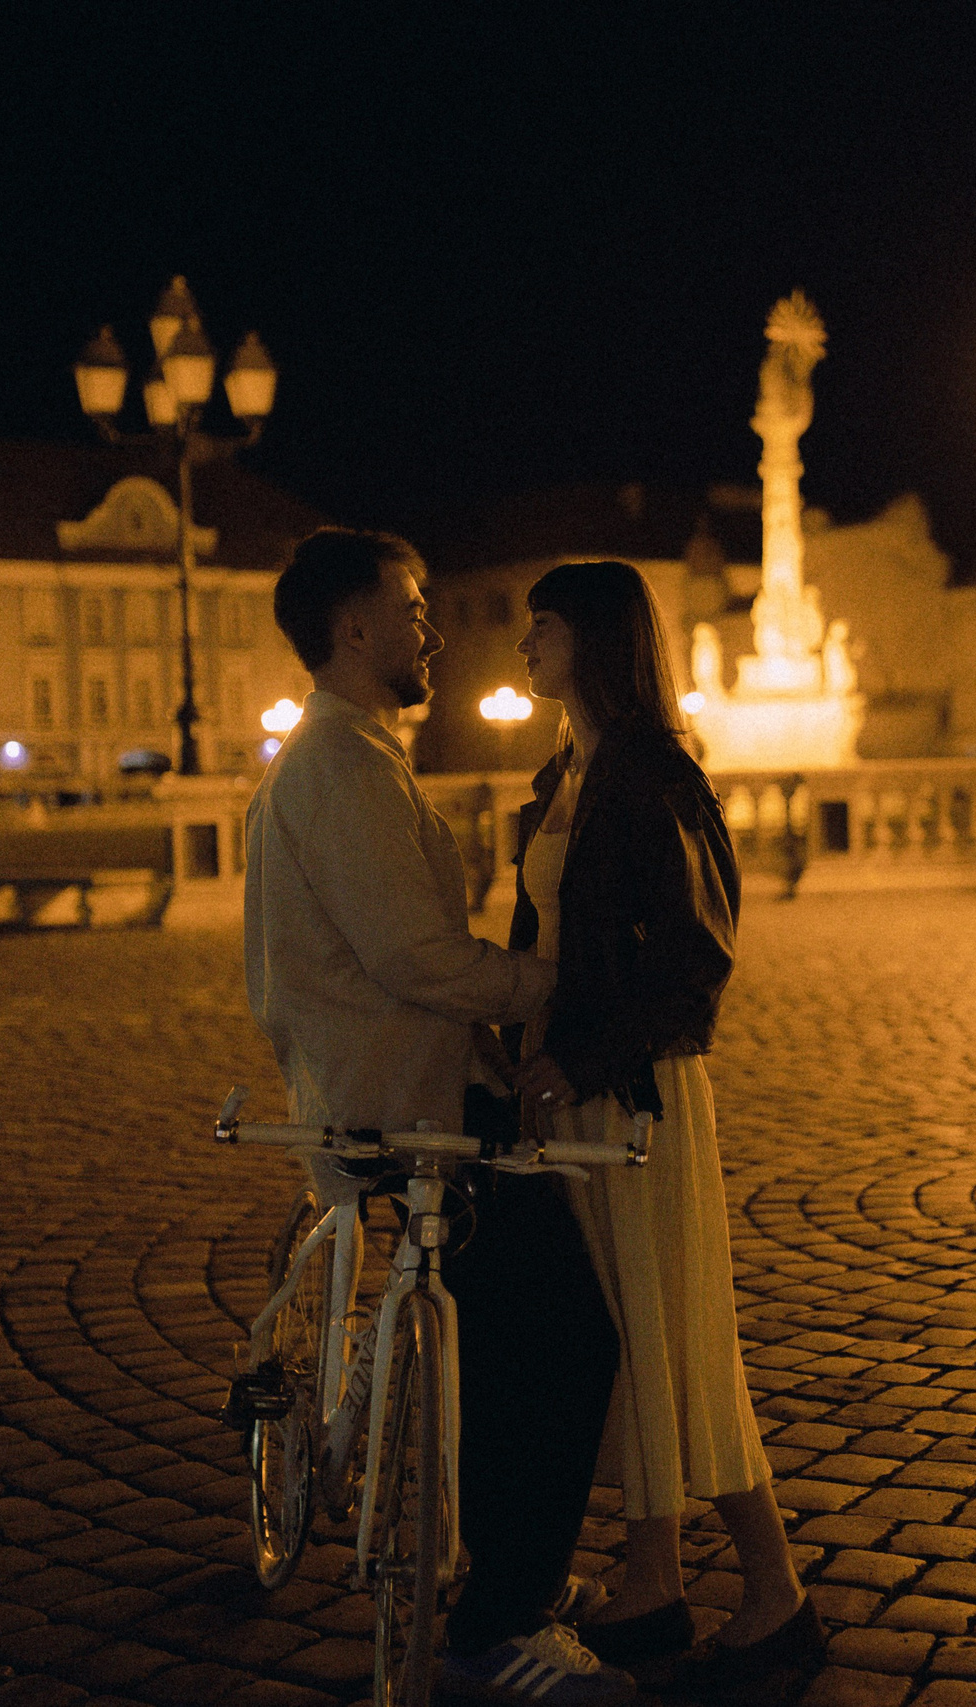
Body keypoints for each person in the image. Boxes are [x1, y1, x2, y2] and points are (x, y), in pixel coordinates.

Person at [244, 528, 634, 1707]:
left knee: (500, 1342)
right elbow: (414, 955)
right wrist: (557, 988)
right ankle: (496, 1624)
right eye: (413, 610)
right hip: (410, 1115)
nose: (432, 632)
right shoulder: (345, 766)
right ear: (353, 626)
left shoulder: (349, 753)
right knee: (568, 1337)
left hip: (396, 1090)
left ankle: (499, 1564)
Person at [508, 561, 825, 1699]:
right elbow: (545, 939)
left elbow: (698, 961)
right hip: (574, 1088)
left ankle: (764, 1592)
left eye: (542, 627)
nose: (524, 648)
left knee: (672, 1334)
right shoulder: (567, 773)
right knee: (628, 1335)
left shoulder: (653, 776)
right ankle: (659, 1577)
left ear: (593, 640)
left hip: (633, 1091)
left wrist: (579, 1059)